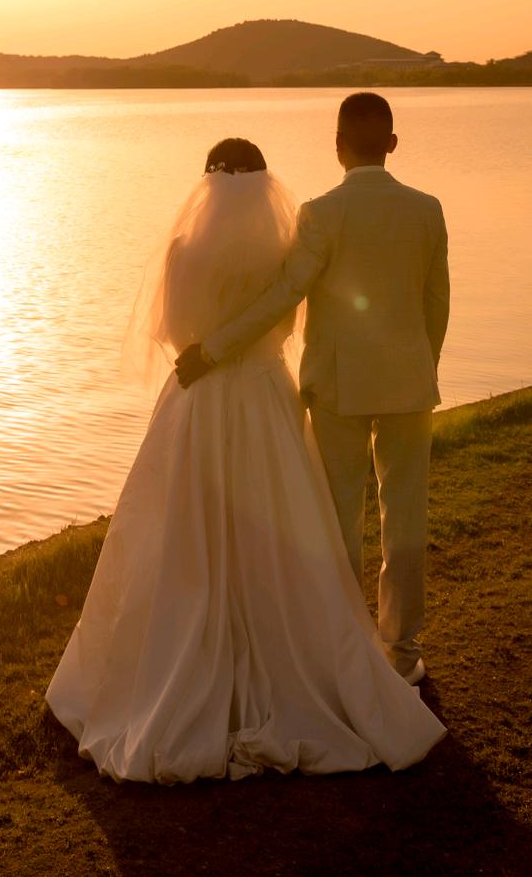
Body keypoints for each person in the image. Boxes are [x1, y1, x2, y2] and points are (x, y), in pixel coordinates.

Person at [45, 135, 446, 784]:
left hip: (198, 396)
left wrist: (210, 346)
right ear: (264, 186)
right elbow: (283, 323)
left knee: (181, 533)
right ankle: (343, 652)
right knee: (286, 527)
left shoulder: (181, 250)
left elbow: (176, 333)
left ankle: (178, 665)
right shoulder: (281, 250)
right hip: (263, 395)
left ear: (205, 183)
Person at [176, 93, 450, 684]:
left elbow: (284, 296)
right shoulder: (427, 210)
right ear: (393, 145)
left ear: (337, 143)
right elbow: (436, 306)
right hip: (409, 386)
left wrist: (214, 348)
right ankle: (402, 652)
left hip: (337, 389)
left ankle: (348, 643)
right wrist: (423, 369)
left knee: (338, 519)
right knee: (406, 519)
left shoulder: (321, 214)